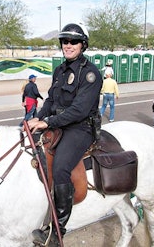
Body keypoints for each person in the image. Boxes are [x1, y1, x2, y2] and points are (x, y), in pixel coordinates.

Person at [27, 23, 102, 246]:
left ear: (83, 45)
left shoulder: (90, 74)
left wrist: (47, 122)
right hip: (59, 124)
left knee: (60, 167)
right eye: (65, 41)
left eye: (73, 42)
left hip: (80, 128)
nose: (68, 45)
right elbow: (50, 100)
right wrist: (37, 117)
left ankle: (56, 232)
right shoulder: (60, 71)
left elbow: (79, 110)